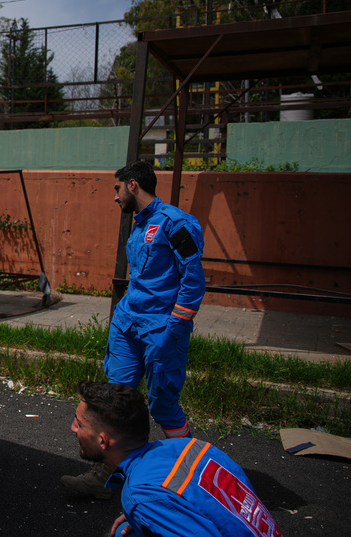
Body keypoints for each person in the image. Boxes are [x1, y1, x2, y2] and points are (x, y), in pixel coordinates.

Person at [62, 160, 206, 499]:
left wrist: (173, 330)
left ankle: (191, 479)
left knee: (163, 406)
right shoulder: (139, 224)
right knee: (114, 401)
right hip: (128, 325)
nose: (115, 197)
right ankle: (106, 477)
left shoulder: (176, 223)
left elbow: (193, 281)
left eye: (117, 188)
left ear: (132, 185)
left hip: (161, 330)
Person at [71, 381, 281, 537]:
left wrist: (149, 509)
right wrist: (158, 515)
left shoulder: (141, 494)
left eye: (80, 424)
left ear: (103, 441)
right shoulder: (190, 446)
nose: (73, 427)